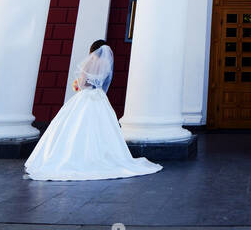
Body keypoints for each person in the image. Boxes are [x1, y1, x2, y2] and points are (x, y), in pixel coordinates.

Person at [23, 40, 162, 181]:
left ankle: (74, 157)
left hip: (86, 97)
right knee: (103, 128)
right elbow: (103, 82)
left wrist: (77, 85)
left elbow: (83, 84)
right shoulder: (107, 64)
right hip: (100, 97)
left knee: (75, 127)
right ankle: (104, 157)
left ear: (93, 51)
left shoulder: (88, 63)